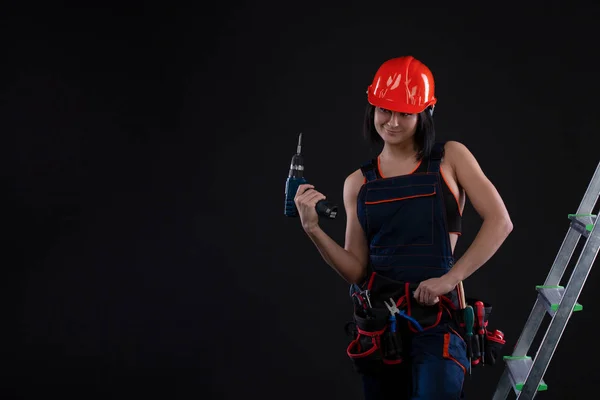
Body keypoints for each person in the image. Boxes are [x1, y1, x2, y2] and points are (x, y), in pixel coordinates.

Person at [293, 55, 513, 399]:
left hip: (437, 323)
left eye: (405, 113)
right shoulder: (358, 183)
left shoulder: (450, 159)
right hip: (383, 330)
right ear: (372, 109)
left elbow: (500, 222)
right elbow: (356, 269)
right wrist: (314, 230)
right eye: (384, 110)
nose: (392, 122)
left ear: (424, 114)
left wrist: (448, 280)